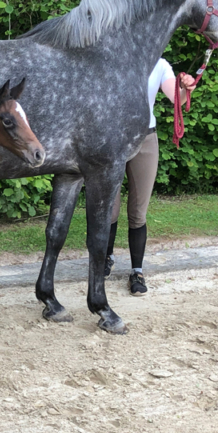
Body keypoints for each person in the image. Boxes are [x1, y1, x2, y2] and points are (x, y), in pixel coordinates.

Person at [105, 58, 196, 296]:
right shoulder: (113, 57)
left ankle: (137, 271)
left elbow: (177, 99)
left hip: (145, 138)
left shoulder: (160, 64)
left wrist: (187, 88)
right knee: (109, 209)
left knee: (138, 213)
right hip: (112, 139)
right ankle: (105, 258)